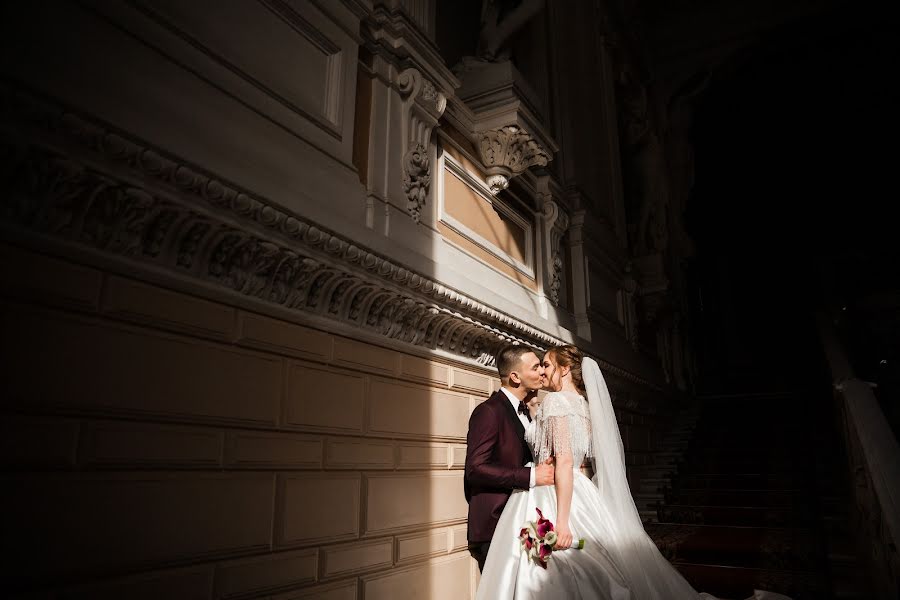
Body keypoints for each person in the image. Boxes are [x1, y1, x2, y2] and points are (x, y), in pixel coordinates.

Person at [475, 344, 792, 600]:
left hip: (556, 492)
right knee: (584, 567)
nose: (543, 370)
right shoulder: (583, 405)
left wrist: (561, 521)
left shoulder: (557, 402)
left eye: (547, 363)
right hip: (578, 490)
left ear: (564, 368)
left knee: (556, 570)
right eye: (539, 365)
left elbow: (566, 462)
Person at [465, 344, 556, 572]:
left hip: (523, 523)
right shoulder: (489, 411)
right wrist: (532, 475)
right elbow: (475, 468)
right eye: (535, 367)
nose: (542, 372)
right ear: (515, 377)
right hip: (495, 527)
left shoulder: (525, 411)